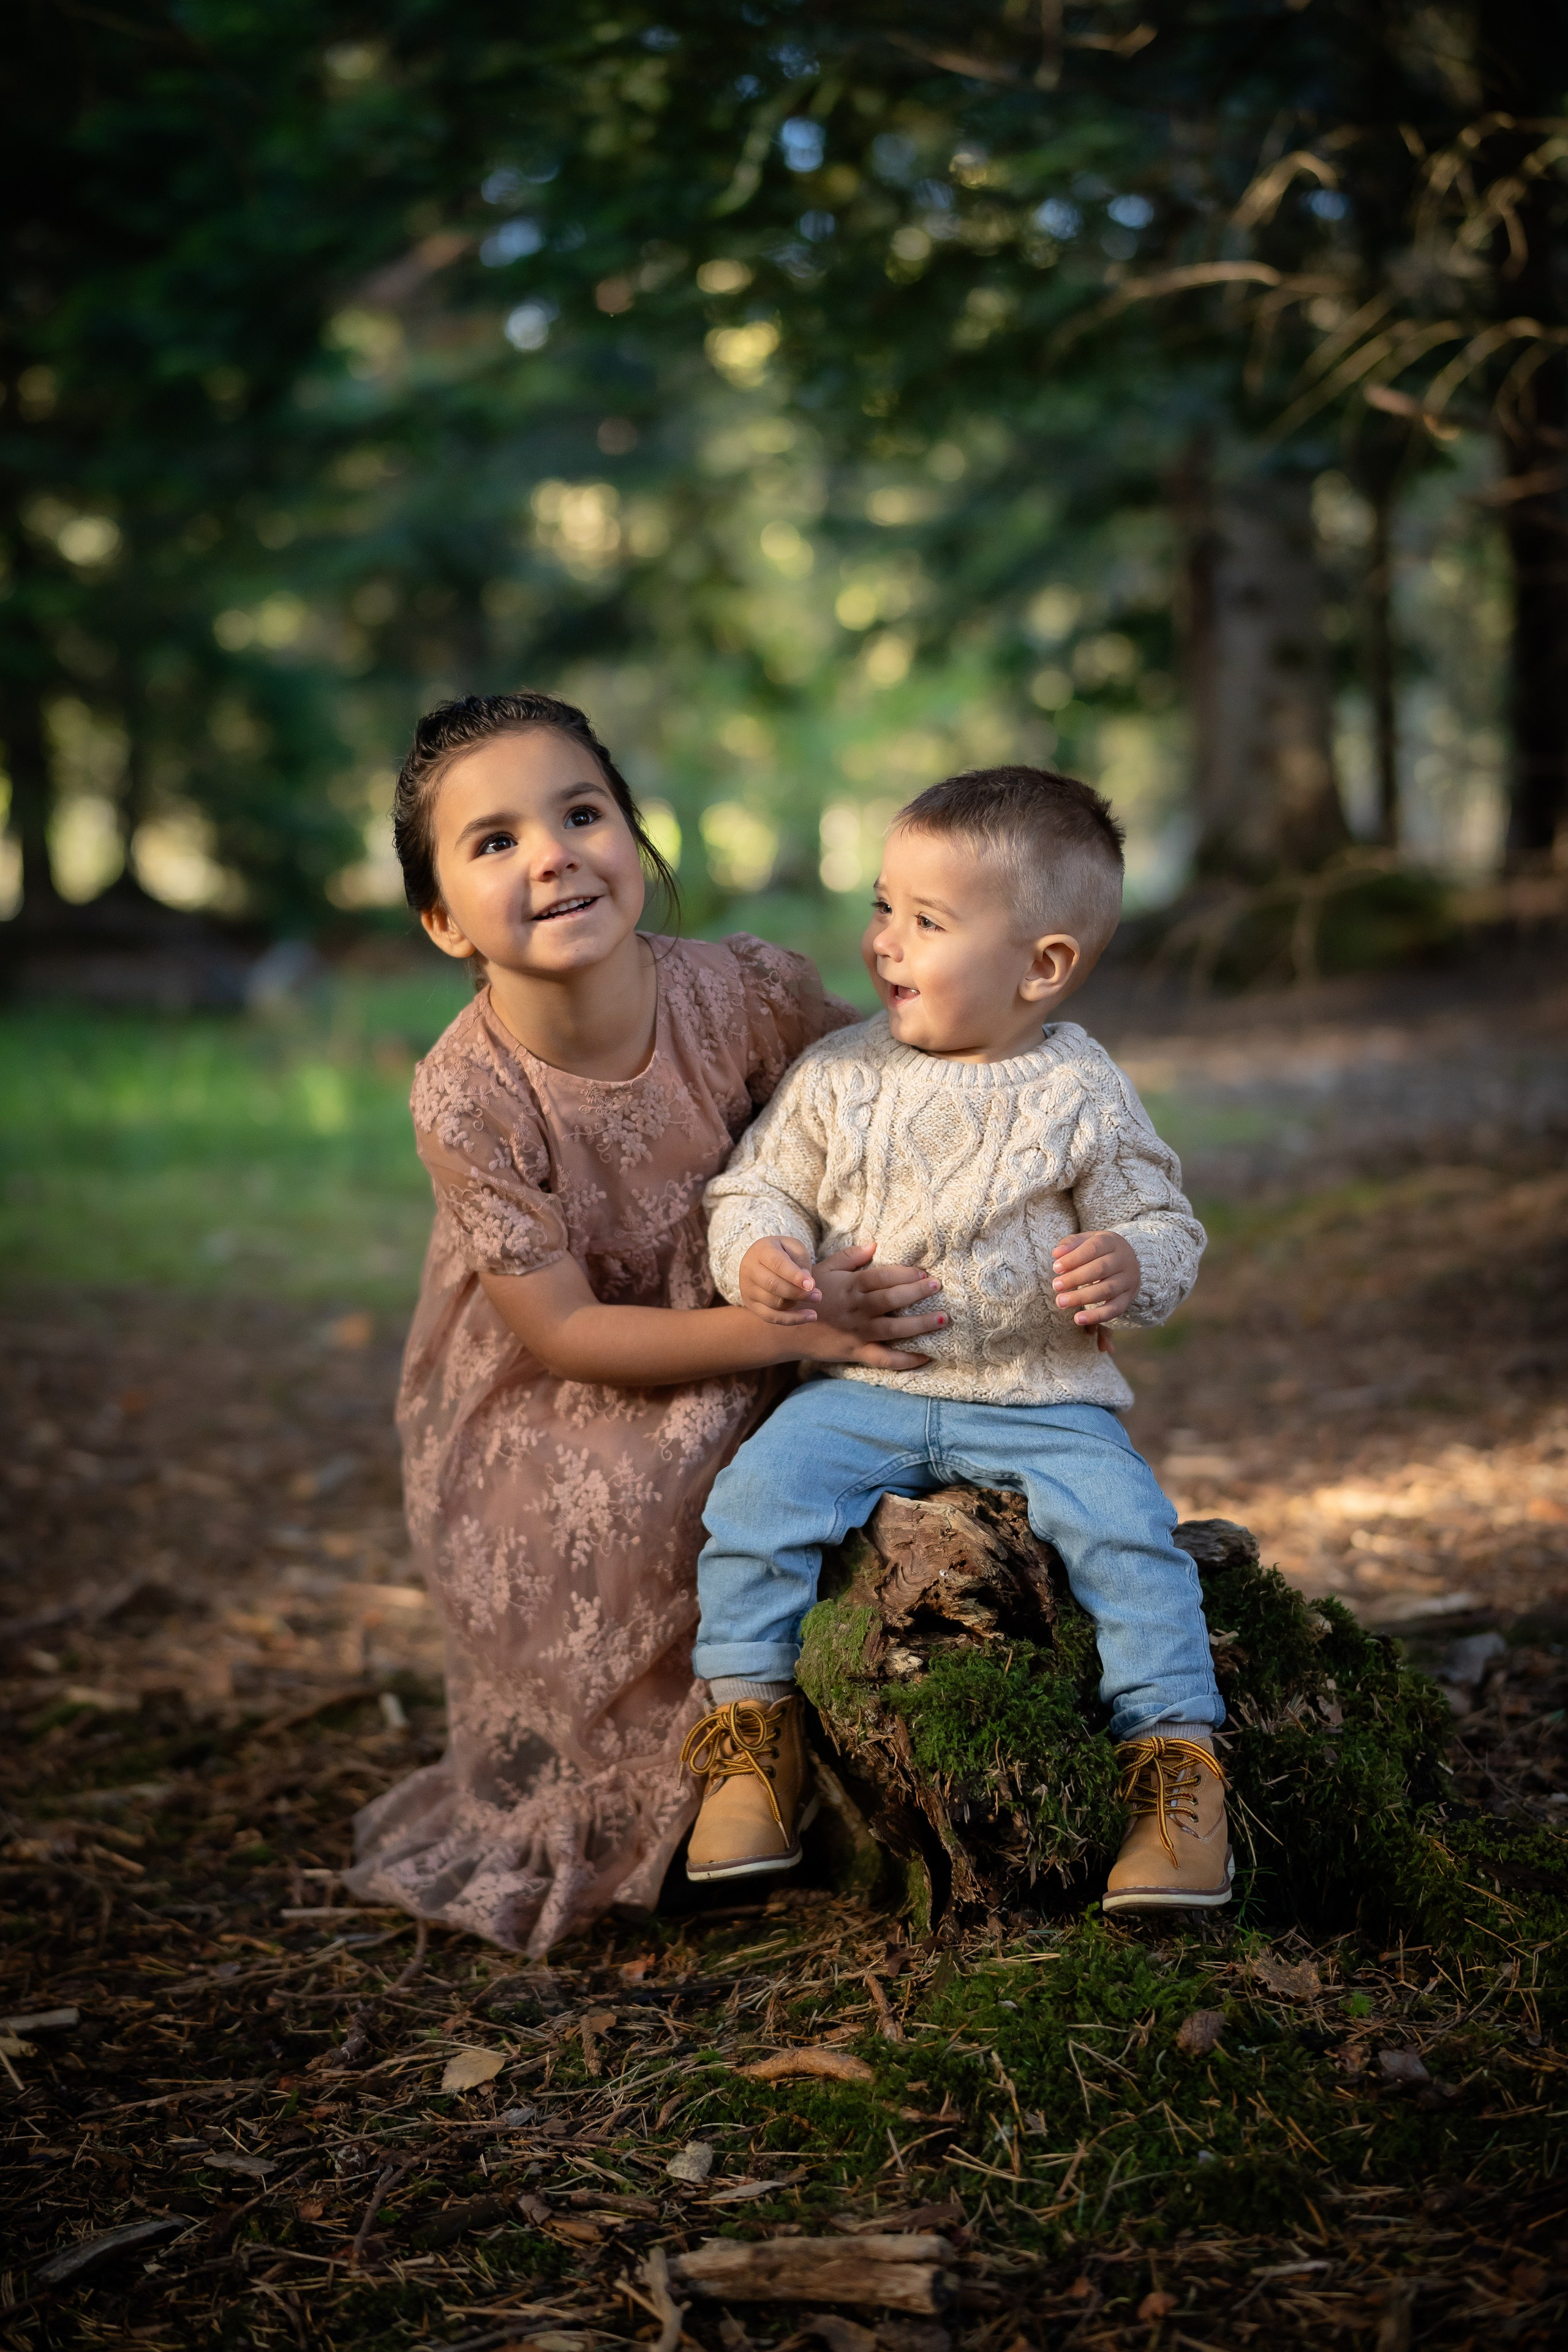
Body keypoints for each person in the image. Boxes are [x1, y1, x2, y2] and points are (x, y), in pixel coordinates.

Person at [344, 691, 944, 1954]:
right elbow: (565, 1333)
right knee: (623, 1504)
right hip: (565, 1384)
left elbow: (891, 1109)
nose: (552, 855)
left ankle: (814, 1748)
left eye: (581, 814)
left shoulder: (741, 992)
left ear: (633, 836)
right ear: (441, 919)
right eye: (495, 841)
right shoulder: (468, 1092)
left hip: (774, 1296)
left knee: (865, 1445)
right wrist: (796, 1333)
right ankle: (689, 1794)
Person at [680, 766, 1230, 1915]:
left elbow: (1162, 1219)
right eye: (883, 905)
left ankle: (1176, 1766)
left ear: (1043, 965)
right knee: (755, 1500)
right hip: (864, 1392)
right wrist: (764, 1254)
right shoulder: (840, 1075)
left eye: (927, 921)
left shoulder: (1081, 1089)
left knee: (1131, 1537)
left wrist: (1132, 1264)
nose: (884, 941)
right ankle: (752, 1734)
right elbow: (756, 1188)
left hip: (1043, 1397)